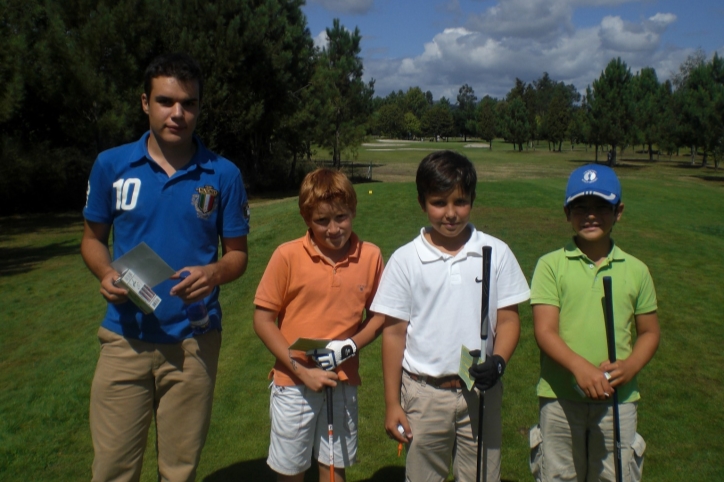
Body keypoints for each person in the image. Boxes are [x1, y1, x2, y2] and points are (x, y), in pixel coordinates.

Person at [81, 53, 250, 482]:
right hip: (124, 338)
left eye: (189, 103)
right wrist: (105, 273)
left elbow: (237, 255)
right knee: (113, 470)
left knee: (178, 472)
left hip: (194, 340)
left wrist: (213, 273)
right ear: (145, 103)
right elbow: (92, 240)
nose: (178, 113)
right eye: (166, 101)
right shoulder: (111, 165)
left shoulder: (223, 174)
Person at [371, 150, 530, 482]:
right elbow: (394, 333)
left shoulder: (495, 251)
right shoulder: (405, 259)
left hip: (480, 390)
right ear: (422, 202)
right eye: (439, 202)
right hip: (424, 393)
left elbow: (509, 320)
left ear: (472, 199)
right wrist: (391, 403)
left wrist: (499, 361)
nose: (451, 213)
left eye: (460, 202)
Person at [528, 164, 660, 482]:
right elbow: (545, 331)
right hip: (560, 396)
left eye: (602, 206)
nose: (591, 215)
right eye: (581, 207)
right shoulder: (550, 265)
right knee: (559, 474)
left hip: (618, 398)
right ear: (567, 212)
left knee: (614, 475)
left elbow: (649, 332)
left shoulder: (636, 269)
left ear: (619, 211)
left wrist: (630, 367)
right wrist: (580, 367)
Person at [253, 168, 385, 482]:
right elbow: (262, 319)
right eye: (321, 221)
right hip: (293, 378)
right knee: (291, 469)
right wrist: (302, 371)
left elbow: (380, 316)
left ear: (353, 210)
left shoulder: (370, 256)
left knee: (332, 467)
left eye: (341, 217)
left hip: (342, 379)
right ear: (305, 217)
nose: (334, 229)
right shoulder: (287, 256)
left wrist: (350, 346)